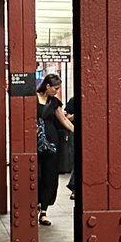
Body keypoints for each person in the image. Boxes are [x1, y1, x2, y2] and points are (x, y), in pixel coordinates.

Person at [36, 73, 73, 226]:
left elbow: (63, 119)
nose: (57, 91)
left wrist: (77, 131)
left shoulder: (55, 102)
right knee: (36, 175)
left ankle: (44, 211)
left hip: (52, 144)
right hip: (35, 142)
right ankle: (34, 203)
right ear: (47, 86)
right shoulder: (32, 99)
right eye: (55, 88)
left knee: (50, 176)